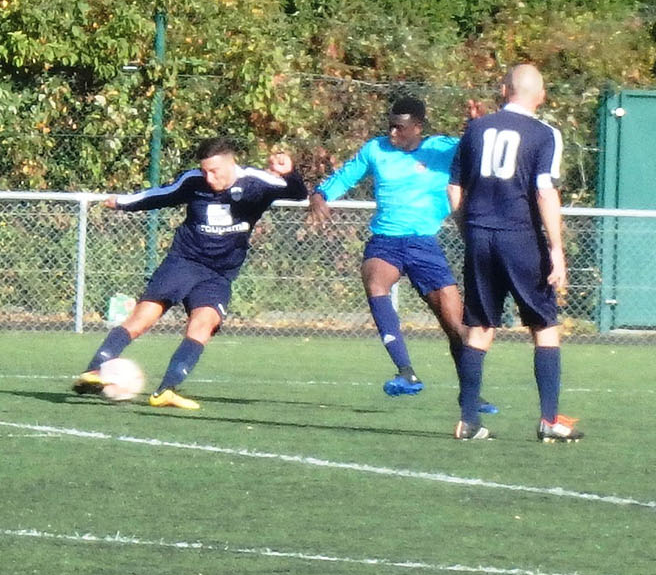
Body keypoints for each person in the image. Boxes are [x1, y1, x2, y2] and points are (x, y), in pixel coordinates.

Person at [73, 137, 307, 409]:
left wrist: (289, 172)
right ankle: (94, 370)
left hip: (219, 273)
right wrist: (122, 202)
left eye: (214, 171)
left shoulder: (257, 182)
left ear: (231, 163)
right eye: (205, 171)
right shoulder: (193, 181)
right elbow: (159, 195)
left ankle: (166, 390)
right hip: (183, 262)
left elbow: (298, 194)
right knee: (143, 318)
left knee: (203, 325)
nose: (209, 178)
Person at [306, 96, 493, 414]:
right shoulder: (375, 150)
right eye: (390, 126)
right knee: (375, 281)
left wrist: (476, 124)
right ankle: (406, 372)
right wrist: (320, 194)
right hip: (386, 241)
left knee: (456, 326)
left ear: (417, 127)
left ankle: (471, 395)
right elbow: (346, 176)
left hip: (424, 244)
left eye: (399, 127)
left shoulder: (443, 149)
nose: (392, 133)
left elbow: (478, 151)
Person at [447, 63, 581, 443]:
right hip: (520, 237)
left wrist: (470, 231)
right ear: (541, 96)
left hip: (479, 235)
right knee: (545, 325)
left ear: (504, 90)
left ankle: (469, 420)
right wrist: (556, 249)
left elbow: (454, 189)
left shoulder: (475, 129)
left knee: (479, 327)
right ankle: (549, 419)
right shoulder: (545, 134)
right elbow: (544, 191)